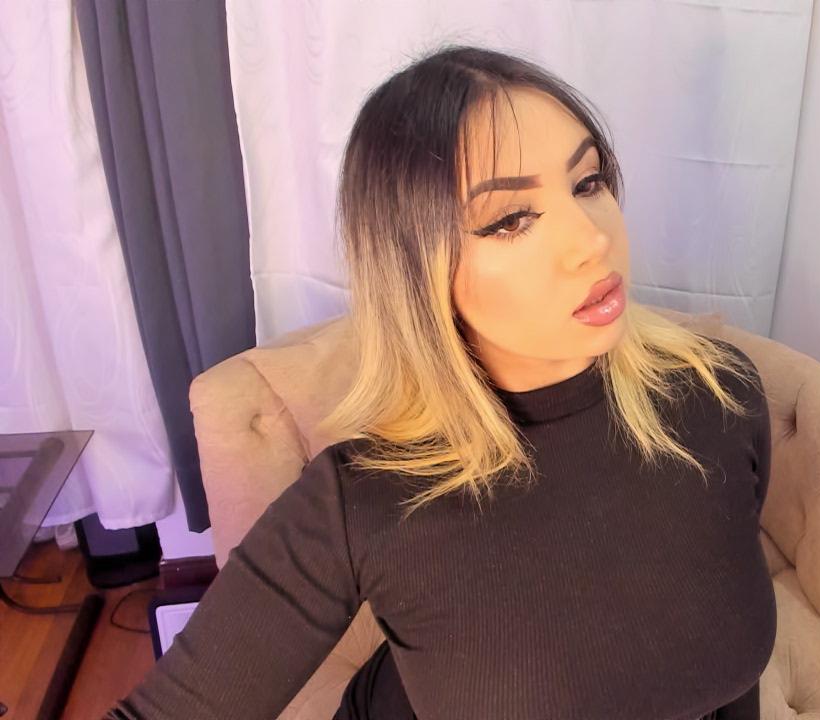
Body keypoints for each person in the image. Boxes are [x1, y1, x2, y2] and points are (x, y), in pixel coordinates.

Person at [105, 43, 775, 720]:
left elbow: (725, 681)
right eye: (510, 220)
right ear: (419, 273)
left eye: (588, 182)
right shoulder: (363, 503)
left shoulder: (720, 397)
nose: (592, 241)